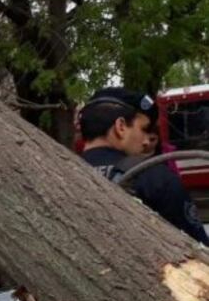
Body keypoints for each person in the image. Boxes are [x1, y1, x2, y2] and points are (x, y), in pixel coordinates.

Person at [79, 87, 208, 244]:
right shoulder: (157, 179)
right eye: (143, 129)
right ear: (121, 127)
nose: (146, 141)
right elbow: (199, 250)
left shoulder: (61, 175)